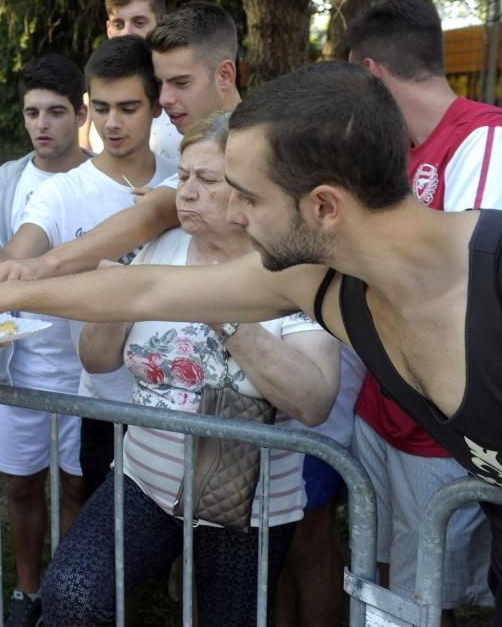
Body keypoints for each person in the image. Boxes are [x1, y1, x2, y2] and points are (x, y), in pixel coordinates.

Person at [0, 61, 502, 623]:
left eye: (247, 197)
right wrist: (2, 293)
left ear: (322, 206)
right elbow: (142, 292)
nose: (232, 215)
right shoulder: (322, 284)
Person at [43, 111, 340, 625]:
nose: (185, 193)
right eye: (181, 177)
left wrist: (221, 309)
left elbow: (314, 401)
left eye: (206, 180)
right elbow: (96, 359)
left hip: (247, 503)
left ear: (249, 192)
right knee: (72, 592)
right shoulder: (158, 246)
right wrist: (117, 297)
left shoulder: (293, 268)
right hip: (143, 478)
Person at [0, 35, 176, 625]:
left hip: (167, 399)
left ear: (156, 106)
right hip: (98, 397)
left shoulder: (184, 179)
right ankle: (42, 593)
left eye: (129, 108)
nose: (114, 124)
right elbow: (18, 252)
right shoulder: (62, 190)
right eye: (105, 108)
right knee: (96, 531)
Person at [340, 0, 502, 624]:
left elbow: (461, 284)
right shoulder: (394, 150)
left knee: (436, 596)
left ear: (370, 74)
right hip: (383, 407)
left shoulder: (488, 138)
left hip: (442, 428)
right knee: (384, 575)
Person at [0, 53, 91, 627]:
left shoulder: (100, 182)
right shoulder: (7, 181)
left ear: (81, 114)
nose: (42, 124)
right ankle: (30, 591)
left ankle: (73, 593)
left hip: (86, 370)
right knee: (22, 486)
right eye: (32, 112)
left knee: (80, 485)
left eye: (56, 111)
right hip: (21, 365)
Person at [0, 1, 243, 285]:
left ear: (225, 75)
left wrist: (42, 266)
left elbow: (149, 217)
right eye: (162, 84)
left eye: (181, 83)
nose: (165, 99)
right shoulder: (201, 146)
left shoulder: (255, 144)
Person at [78, 0, 180, 162]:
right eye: (118, 24)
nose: (127, 33)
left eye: (139, 23)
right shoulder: (90, 102)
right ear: (108, 29)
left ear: (161, 25)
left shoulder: (183, 93)